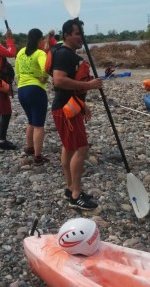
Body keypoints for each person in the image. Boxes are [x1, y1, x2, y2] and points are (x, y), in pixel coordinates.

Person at [51, 19, 103, 210]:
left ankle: (70, 187)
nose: (82, 37)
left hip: (70, 107)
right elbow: (59, 81)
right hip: (65, 111)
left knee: (69, 147)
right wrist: (89, 85)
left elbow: (68, 86)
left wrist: (83, 105)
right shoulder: (64, 55)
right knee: (81, 148)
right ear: (67, 35)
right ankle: (76, 196)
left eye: (82, 33)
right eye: (77, 34)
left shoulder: (66, 53)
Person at [15, 28, 50, 166]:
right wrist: (44, 79)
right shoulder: (40, 53)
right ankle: (38, 156)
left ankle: (30, 148)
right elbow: (46, 68)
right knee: (39, 125)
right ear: (39, 40)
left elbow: (17, 72)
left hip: (22, 90)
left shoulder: (20, 52)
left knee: (31, 120)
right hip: (36, 90)